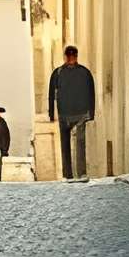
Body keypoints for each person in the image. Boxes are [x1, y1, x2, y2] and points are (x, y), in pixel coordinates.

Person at [47, 44, 96, 182]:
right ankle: (68, 173)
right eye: (69, 56)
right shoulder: (58, 73)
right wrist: (51, 113)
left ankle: (80, 173)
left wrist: (91, 113)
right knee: (65, 145)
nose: (71, 58)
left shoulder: (83, 73)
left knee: (80, 143)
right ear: (65, 57)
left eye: (72, 56)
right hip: (64, 114)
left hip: (80, 114)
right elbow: (51, 94)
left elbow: (91, 93)